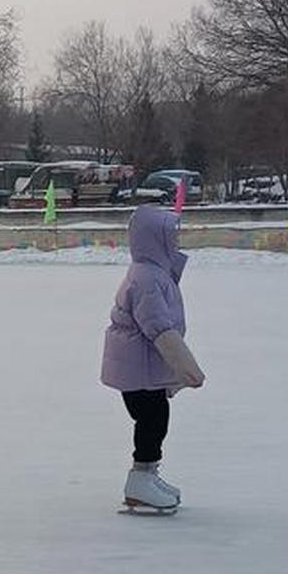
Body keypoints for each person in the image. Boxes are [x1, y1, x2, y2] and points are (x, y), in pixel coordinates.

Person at [100, 205, 204, 511]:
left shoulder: (153, 273)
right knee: (152, 421)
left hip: (142, 367)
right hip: (138, 369)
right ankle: (140, 480)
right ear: (154, 238)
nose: (177, 241)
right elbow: (160, 329)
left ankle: (146, 475)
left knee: (154, 419)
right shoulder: (147, 278)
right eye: (172, 235)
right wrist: (188, 369)